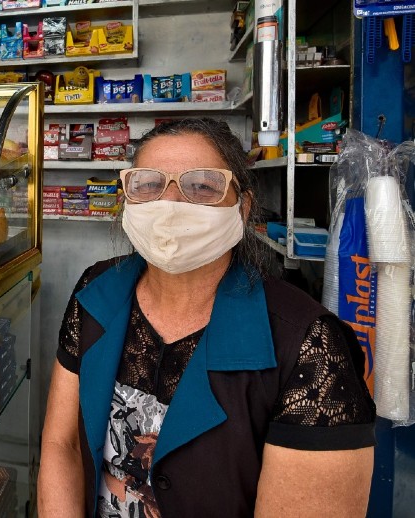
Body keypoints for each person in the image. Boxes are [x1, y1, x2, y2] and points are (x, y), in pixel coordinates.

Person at [38, 118, 376, 517]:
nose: (171, 204)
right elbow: (64, 446)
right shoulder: (96, 291)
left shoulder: (310, 346)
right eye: (148, 184)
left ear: (243, 206)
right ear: (126, 198)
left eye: (202, 185)